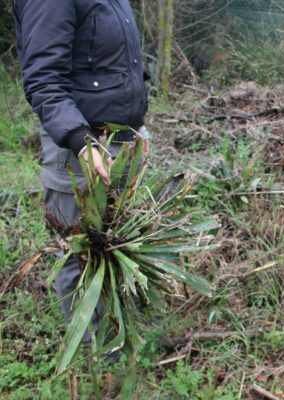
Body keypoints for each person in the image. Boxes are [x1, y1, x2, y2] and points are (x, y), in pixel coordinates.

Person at [13, 0, 150, 341]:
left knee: (121, 244)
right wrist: (82, 141)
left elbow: (116, 63)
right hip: (81, 149)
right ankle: (94, 354)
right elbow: (44, 82)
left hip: (121, 140)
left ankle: (125, 334)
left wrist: (138, 129)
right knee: (80, 255)